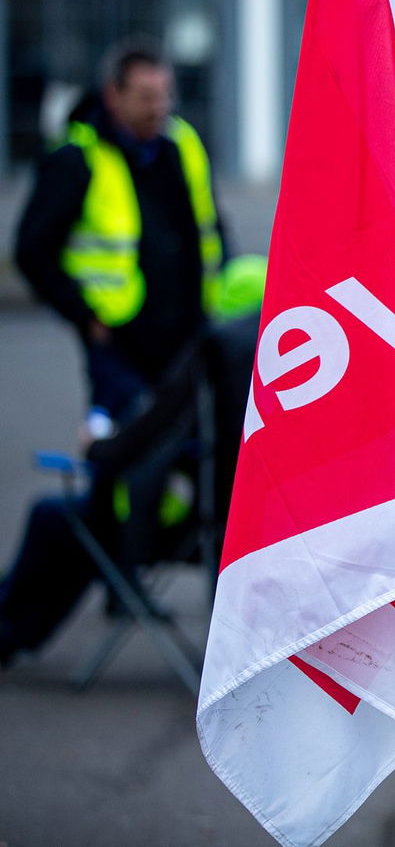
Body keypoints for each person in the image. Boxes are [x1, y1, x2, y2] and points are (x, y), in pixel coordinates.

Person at [0, 256, 264, 669]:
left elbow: (140, 439)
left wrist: (95, 448)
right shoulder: (302, 379)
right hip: (258, 530)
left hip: (191, 528)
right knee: (74, 522)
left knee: (56, 519)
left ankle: (9, 635)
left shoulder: (215, 355)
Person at [14, 40, 225, 424]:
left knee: (195, 449)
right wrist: (85, 316)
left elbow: (211, 226)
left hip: (188, 334)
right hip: (119, 343)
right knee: (123, 451)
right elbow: (32, 251)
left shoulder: (181, 144)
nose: (159, 108)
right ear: (114, 95)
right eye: (146, 97)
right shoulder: (77, 158)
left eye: (165, 95)